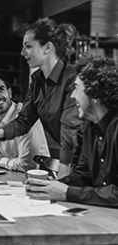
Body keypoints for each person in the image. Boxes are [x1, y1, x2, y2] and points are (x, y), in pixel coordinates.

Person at [0, 18, 83, 178]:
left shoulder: (71, 78)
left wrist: (64, 174)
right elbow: (25, 119)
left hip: (83, 160)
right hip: (68, 159)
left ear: (47, 48)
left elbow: (69, 130)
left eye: (28, 46)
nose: (22, 53)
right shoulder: (37, 79)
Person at [26, 55, 118, 207]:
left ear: (94, 93)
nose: (73, 96)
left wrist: (67, 192)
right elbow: (83, 175)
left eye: (76, 89)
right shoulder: (89, 126)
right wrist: (57, 185)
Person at [0, 72, 49, 172]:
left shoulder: (26, 118)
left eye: (0, 90)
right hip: (9, 176)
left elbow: (28, 165)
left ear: (10, 93)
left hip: (39, 178)